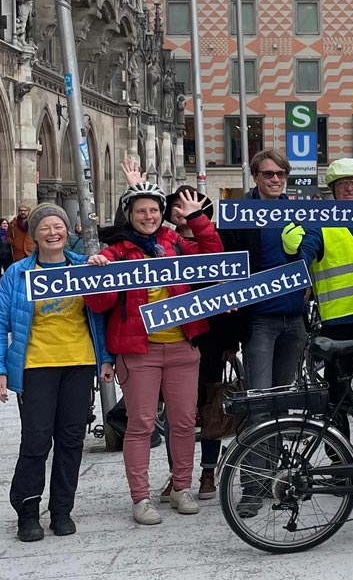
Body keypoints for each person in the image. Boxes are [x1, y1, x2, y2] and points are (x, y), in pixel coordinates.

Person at [84, 181, 220, 525]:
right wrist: (96, 273)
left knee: (185, 422)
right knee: (141, 424)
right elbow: (99, 304)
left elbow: (214, 257)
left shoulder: (175, 243)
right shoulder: (116, 251)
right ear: (129, 214)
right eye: (141, 210)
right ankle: (141, 498)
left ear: (163, 214)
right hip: (138, 351)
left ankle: (181, 487)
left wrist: (198, 219)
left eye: (154, 210)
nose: (149, 216)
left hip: (181, 346)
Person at [0, 203, 113, 542]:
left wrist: (106, 358)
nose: (53, 232)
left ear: (67, 230)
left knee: (71, 440)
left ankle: (61, 510)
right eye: (45, 227)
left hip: (78, 363)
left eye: (59, 226)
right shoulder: (17, 273)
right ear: (35, 235)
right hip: (36, 365)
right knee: (36, 440)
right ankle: (27, 511)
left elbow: (100, 315)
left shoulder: (84, 267)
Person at [284, 159, 353, 460]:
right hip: (339, 322)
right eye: (343, 184)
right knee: (337, 398)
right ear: (332, 190)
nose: (350, 188)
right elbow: (307, 249)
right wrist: (300, 266)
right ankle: (339, 458)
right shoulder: (319, 224)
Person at [217, 151, 309, 403]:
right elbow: (226, 265)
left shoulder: (298, 211)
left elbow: (313, 252)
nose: (275, 179)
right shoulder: (238, 214)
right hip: (259, 319)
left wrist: (298, 252)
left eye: (281, 173)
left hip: (294, 317)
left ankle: (276, 444)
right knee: (260, 399)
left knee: (282, 398)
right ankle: (262, 444)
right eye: (268, 173)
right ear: (256, 176)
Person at [161, 184, 232, 498]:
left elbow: (230, 286)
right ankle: (178, 474)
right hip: (174, 335)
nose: (183, 211)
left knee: (209, 406)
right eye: (177, 205)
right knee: (177, 411)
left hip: (212, 335)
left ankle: (207, 471)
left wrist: (232, 342)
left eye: (191, 205)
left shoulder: (214, 239)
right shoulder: (162, 243)